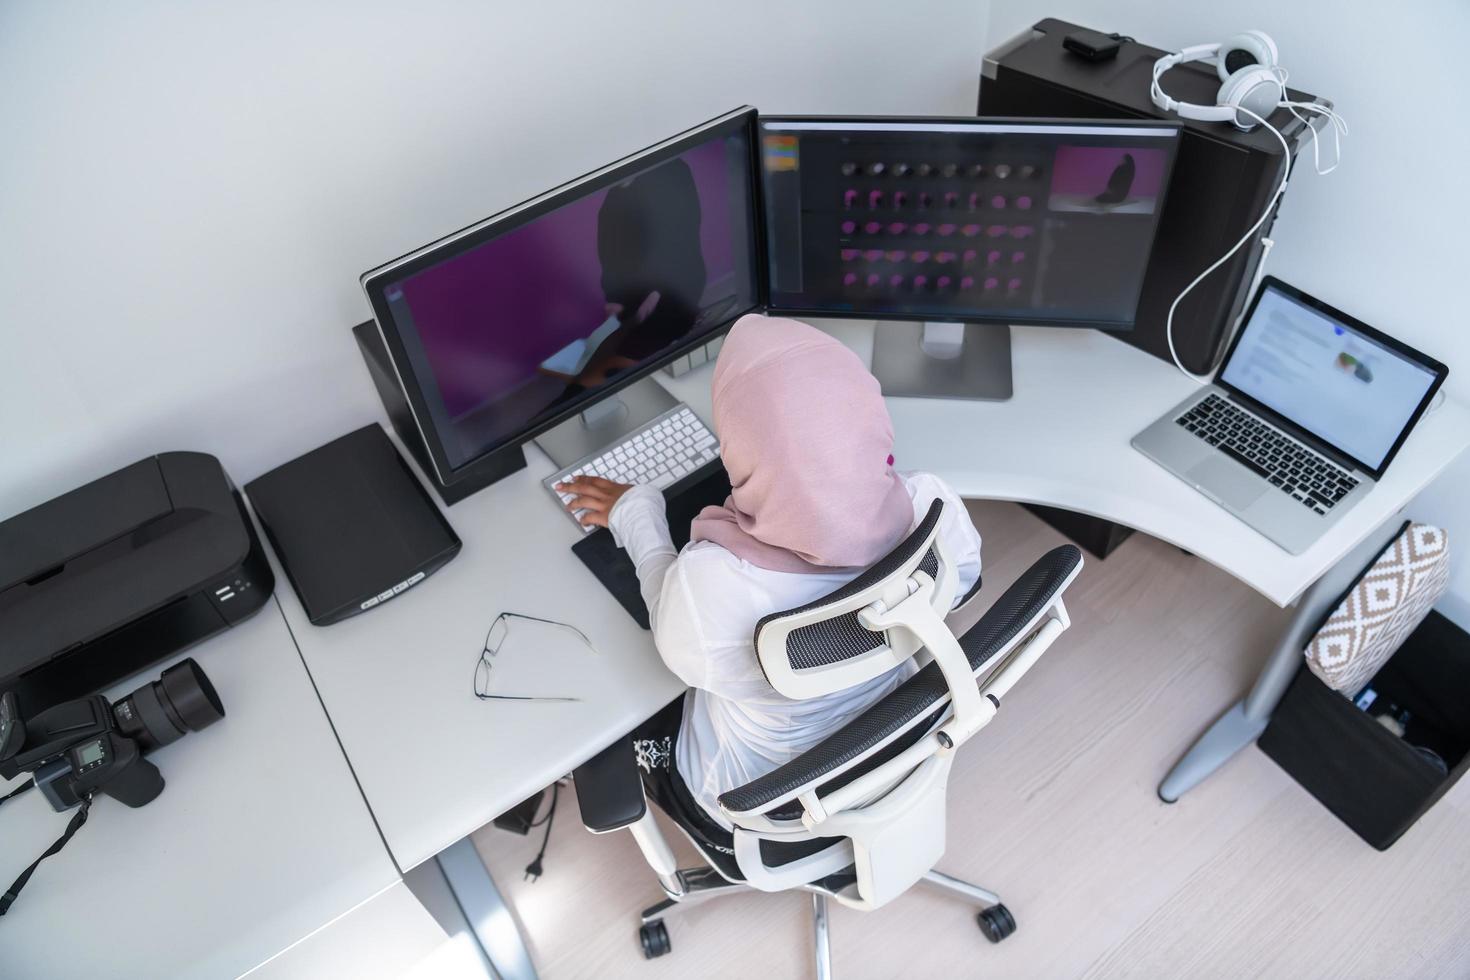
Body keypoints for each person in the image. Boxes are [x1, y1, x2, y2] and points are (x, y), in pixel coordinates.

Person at [556, 314, 982, 841]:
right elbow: (963, 581)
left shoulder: (712, 589)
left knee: (616, 706)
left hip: (759, 801)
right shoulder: (932, 508)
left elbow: (668, 615)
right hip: (897, 741)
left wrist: (636, 510)